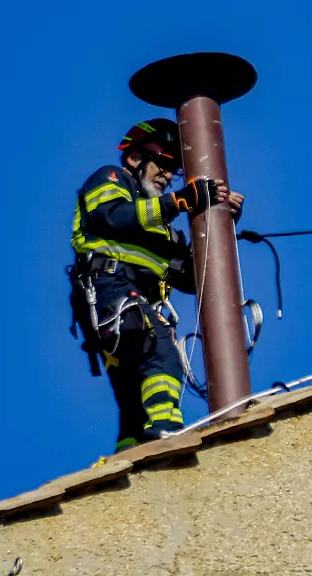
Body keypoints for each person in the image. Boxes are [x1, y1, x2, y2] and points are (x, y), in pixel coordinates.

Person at [67, 118, 244, 453]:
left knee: (133, 394)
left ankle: (131, 455)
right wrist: (178, 202)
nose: (167, 174)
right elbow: (112, 216)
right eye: (163, 163)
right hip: (110, 288)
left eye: (173, 168)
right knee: (160, 356)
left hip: (123, 305)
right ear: (135, 159)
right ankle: (167, 433)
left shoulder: (163, 232)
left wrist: (225, 222)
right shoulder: (112, 177)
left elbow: (195, 278)